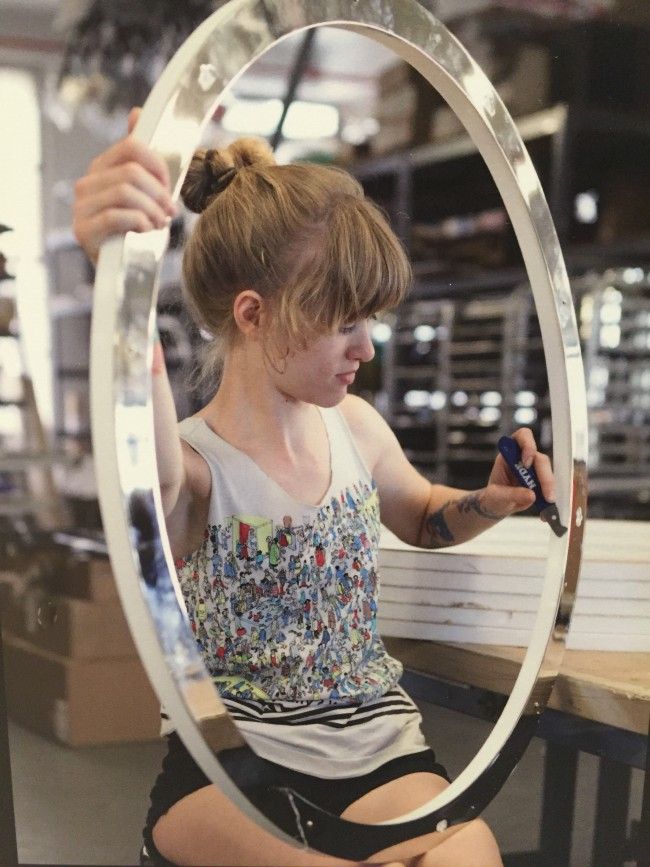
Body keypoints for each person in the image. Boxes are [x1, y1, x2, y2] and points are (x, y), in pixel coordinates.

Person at [74, 108, 556, 867]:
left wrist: (487, 501)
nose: (366, 346)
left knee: (473, 856)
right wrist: (119, 274)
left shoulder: (357, 427)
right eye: (343, 323)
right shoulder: (195, 470)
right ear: (255, 315)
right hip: (232, 763)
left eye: (370, 320)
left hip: (378, 745)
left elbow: (423, 514)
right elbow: (147, 457)